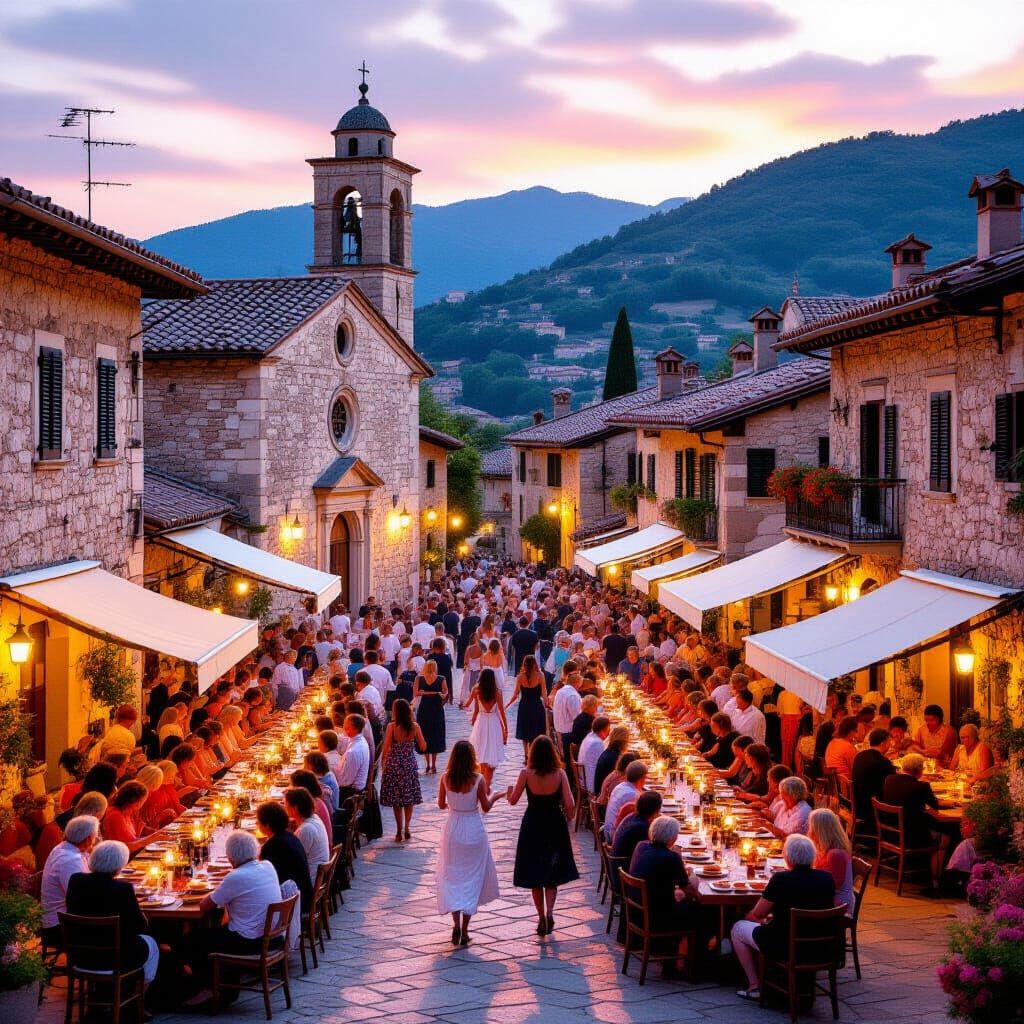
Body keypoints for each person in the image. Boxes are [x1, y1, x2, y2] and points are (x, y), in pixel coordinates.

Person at [185, 831, 284, 1007]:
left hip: (249, 940)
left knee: (191, 939)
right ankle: (225, 985)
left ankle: (209, 988)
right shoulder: (268, 865)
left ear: (231, 857)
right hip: (273, 936)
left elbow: (204, 906)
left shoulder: (236, 876)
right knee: (213, 929)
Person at [731, 834, 836, 1001]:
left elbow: (758, 913)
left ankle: (755, 985)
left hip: (784, 945)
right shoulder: (826, 878)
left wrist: (749, 916)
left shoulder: (782, 879)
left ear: (788, 857)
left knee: (738, 927)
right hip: (821, 947)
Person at [508, 736, 579, 937]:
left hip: (532, 824)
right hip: (554, 823)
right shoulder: (560, 774)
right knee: (551, 873)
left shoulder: (526, 773)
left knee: (535, 875)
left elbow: (513, 800)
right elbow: (569, 802)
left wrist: (508, 793)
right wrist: (570, 818)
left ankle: (540, 916)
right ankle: (550, 912)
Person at [437, 740, 504, 946]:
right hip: (474, 828)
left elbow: (441, 805)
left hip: (454, 828)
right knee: (471, 879)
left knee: (453, 876)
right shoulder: (478, 779)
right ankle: (465, 929)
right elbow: (486, 806)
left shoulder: (445, 778)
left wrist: (455, 803)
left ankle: (455, 924)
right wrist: (497, 795)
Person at [66, 840, 160, 984]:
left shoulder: (76, 880)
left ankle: (104, 989)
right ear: (119, 866)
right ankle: (140, 993)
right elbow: (139, 926)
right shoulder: (123, 888)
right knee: (152, 943)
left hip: (80, 956)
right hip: (115, 959)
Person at [628, 816, 700, 975]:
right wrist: (694, 878)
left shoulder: (644, 849)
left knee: (683, 899)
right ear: (672, 837)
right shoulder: (671, 857)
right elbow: (688, 888)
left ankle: (677, 955)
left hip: (638, 913)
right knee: (700, 909)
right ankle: (682, 962)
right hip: (658, 918)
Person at [882, 753, 947, 894]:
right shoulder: (921, 786)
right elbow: (935, 805)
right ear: (919, 770)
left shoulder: (889, 779)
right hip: (911, 838)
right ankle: (936, 882)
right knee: (944, 838)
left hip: (889, 832)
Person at [40, 814, 99, 947]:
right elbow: (83, 900)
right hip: (60, 927)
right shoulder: (71, 860)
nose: (96, 840)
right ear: (88, 839)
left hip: (63, 919)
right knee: (121, 921)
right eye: (95, 836)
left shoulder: (64, 847)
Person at [379, 698, 427, 842]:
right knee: (408, 799)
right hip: (409, 764)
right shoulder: (415, 726)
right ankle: (407, 828)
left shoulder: (391, 727)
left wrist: (383, 763)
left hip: (394, 764)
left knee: (396, 800)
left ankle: (398, 830)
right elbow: (423, 747)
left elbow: (386, 747)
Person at [257, 800, 312, 911]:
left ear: (267, 824)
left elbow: (265, 881)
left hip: (295, 903)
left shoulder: (271, 847)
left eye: (258, 822)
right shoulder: (290, 836)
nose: (257, 824)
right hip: (304, 894)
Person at [808, 808, 854, 916]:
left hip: (837, 906)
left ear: (820, 831)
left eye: (811, 828)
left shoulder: (835, 854)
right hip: (827, 897)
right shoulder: (824, 849)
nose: (809, 832)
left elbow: (833, 885)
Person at [466, 669, 508, 788]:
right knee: (492, 752)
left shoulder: (476, 690)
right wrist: (506, 729)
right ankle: (486, 784)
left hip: (481, 722)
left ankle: (483, 781)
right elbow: (501, 712)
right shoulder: (497, 693)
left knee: (481, 751)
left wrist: (465, 705)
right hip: (494, 723)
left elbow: (468, 704)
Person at [851, 727, 896, 836]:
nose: (890, 744)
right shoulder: (883, 762)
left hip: (858, 803)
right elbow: (892, 786)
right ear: (883, 743)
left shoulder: (859, 756)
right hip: (873, 808)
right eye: (889, 741)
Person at [284, 787, 331, 883]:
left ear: (295, 808)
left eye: (286, 805)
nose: (284, 808)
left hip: (309, 881)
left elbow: (293, 860)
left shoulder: (306, 830)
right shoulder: (314, 817)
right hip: (316, 874)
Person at [509, 655, 548, 763]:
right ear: (535, 663)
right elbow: (544, 695)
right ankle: (533, 754)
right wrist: (548, 705)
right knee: (536, 731)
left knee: (525, 731)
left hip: (524, 706)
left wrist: (507, 705)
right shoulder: (540, 676)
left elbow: (515, 695)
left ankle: (526, 755)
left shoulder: (520, 677)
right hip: (536, 706)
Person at [611, 790, 662, 866]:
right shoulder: (641, 827)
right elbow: (651, 854)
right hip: (624, 869)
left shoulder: (632, 817)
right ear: (656, 811)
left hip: (618, 865)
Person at [414, 661, 448, 774]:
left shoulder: (419, 678)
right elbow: (445, 693)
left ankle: (428, 764)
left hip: (424, 710)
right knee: (435, 735)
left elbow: (416, 693)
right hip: (436, 709)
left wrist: (425, 693)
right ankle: (433, 764)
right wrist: (437, 693)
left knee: (425, 734)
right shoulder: (441, 678)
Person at [604, 760, 649, 842]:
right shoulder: (631, 795)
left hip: (609, 830)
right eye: (645, 777)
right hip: (615, 837)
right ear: (641, 778)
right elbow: (635, 821)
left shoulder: (621, 786)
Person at [551, 670, 582, 771]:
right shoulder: (572, 695)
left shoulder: (561, 691)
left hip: (560, 730)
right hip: (568, 734)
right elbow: (578, 719)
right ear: (577, 683)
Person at [593, 724, 629, 796]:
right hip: (604, 798)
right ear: (624, 741)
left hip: (600, 792)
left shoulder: (608, 752)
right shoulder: (614, 758)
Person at [580, 715, 611, 793]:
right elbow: (603, 765)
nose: (609, 731)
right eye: (608, 729)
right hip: (592, 782)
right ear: (603, 729)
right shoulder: (597, 743)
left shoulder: (590, 736)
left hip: (584, 776)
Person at [824, 715, 860, 781]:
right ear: (850, 731)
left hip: (833, 784)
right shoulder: (848, 747)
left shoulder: (832, 742)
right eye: (856, 730)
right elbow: (856, 769)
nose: (857, 733)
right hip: (846, 784)